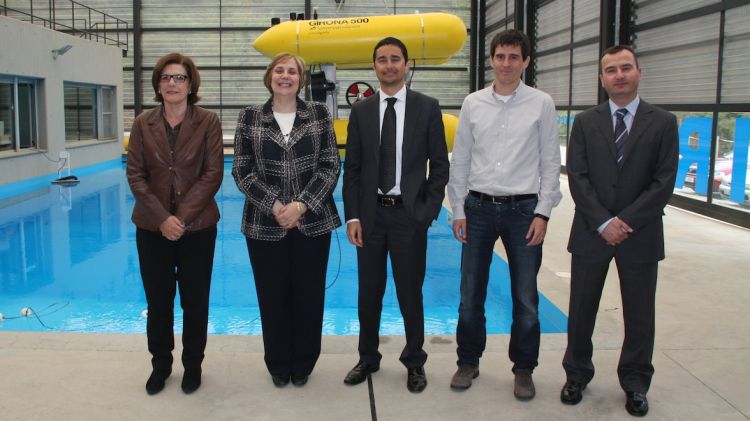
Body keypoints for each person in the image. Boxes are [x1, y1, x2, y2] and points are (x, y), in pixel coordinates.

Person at [560, 45, 678, 417]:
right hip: (591, 231)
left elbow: (664, 181)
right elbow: (577, 177)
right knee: (581, 309)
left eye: (625, 68)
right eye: (611, 70)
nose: (619, 75)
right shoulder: (585, 122)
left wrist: (624, 221)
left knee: (640, 314)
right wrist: (602, 221)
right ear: (602, 79)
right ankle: (576, 375)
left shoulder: (663, 122)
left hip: (639, 233)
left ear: (639, 72)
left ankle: (636, 383)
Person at [446, 29, 561, 400]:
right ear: (491, 60)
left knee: (525, 296)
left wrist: (543, 213)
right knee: (470, 293)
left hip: (524, 211)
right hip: (477, 209)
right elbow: (460, 159)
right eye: (501, 56)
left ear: (525, 61)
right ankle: (468, 361)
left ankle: (524, 369)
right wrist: (458, 209)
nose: (507, 64)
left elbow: (550, 162)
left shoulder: (541, 103)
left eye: (514, 57)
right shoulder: (473, 103)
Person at [342, 37, 449, 393]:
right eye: (382, 59)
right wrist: (353, 216)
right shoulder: (361, 112)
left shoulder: (427, 107)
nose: (388, 65)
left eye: (395, 59)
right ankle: (368, 357)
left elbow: (440, 166)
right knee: (368, 293)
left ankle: (415, 362)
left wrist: (427, 212)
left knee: (409, 293)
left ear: (406, 64)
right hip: (370, 217)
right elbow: (353, 169)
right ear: (374, 66)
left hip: (408, 217)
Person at [232, 52, 341, 388]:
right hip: (265, 224)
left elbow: (329, 165)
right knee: (272, 295)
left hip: (312, 222)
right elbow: (242, 169)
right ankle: (278, 363)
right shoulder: (250, 116)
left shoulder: (318, 114)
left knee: (309, 296)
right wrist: (275, 204)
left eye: (292, 71)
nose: (285, 76)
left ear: (300, 79)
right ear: (270, 76)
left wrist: (301, 205)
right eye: (279, 70)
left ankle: (304, 363)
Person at [127, 52, 223, 395]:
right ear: (157, 84)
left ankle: (193, 365)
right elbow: (136, 176)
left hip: (197, 230)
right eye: (166, 77)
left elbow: (213, 174)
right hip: (152, 230)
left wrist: (179, 219)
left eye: (179, 77)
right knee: (159, 301)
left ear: (190, 83)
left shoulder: (208, 121)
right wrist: (162, 219)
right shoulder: (143, 123)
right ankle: (161, 365)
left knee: (195, 301)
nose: (172, 83)